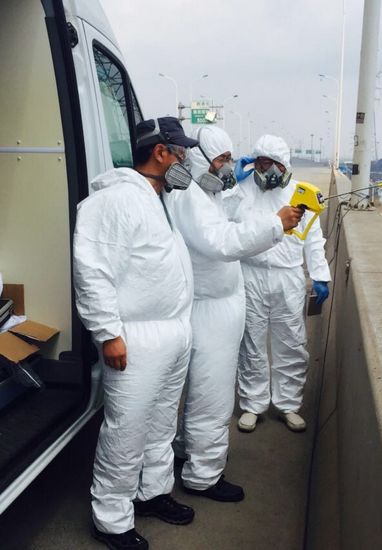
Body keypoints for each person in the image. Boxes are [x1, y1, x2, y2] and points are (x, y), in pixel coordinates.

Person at [73, 117, 198, 550]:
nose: (186, 161)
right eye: (181, 152)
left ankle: (152, 492)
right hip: (136, 337)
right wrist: (108, 333)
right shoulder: (116, 201)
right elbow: (93, 269)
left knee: (161, 424)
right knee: (126, 430)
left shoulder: (158, 198)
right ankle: (111, 519)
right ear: (160, 152)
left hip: (172, 332)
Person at [165, 126, 303, 502]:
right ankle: (204, 475)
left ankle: (188, 452)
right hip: (210, 309)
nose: (229, 167)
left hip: (216, 303)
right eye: (222, 159)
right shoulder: (191, 197)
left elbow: (223, 220)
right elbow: (222, 241)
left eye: (230, 158)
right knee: (213, 397)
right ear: (199, 160)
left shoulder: (204, 192)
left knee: (203, 392)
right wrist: (275, 224)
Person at [224, 134, 331, 433]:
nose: (268, 170)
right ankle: (253, 404)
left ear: (286, 165)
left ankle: (288, 404)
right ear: (254, 162)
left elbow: (314, 238)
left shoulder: (300, 194)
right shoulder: (241, 190)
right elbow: (220, 221)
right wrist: (232, 183)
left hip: (288, 277)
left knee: (291, 342)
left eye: (275, 164)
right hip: (249, 274)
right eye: (262, 162)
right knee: (251, 343)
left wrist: (320, 274)